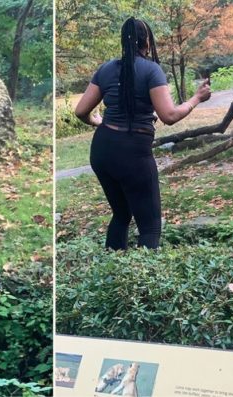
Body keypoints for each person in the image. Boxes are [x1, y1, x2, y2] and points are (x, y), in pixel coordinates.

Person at [74, 16, 212, 250]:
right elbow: (169, 116)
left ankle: (112, 270)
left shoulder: (106, 69)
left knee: (121, 214)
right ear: (146, 42)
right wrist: (197, 98)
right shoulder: (151, 70)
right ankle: (143, 278)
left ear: (123, 41)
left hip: (102, 150)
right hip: (133, 154)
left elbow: (80, 111)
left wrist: (97, 121)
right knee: (150, 225)